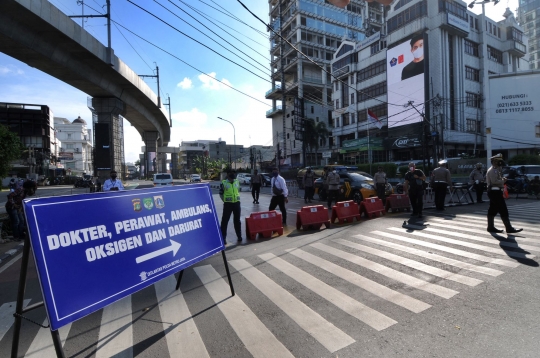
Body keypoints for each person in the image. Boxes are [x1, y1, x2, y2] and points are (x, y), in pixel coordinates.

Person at [486, 154, 522, 233]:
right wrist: (503, 181)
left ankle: (490, 227)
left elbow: (498, 178)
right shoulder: (493, 170)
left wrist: (502, 179)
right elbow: (494, 181)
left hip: (496, 191)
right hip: (494, 191)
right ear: (495, 161)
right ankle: (508, 228)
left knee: (493, 209)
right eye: (499, 161)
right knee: (503, 209)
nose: (500, 162)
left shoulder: (497, 169)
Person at [219, 169, 243, 243]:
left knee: (237, 221)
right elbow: (221, 193)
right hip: (228, 204)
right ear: (228, 174)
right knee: (225, 221)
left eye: (234, 173)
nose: (233, 174)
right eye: (231, 173)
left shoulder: (237, 182)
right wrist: (225, 200)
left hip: (236, 203)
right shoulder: (224, 183)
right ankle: (223, 238)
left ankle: (239, 236)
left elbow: (238, 191)